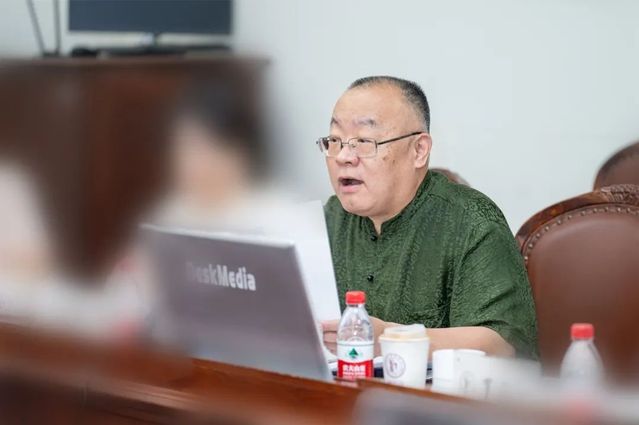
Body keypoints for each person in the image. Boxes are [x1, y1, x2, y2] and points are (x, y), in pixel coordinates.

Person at [319, 76, 537, 358]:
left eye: (363, 141)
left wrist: (393, 339)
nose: (343, 157)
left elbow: (502, 344)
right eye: (335, 141)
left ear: (419, 150)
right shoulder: (329, 219)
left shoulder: (472, 221)